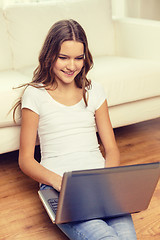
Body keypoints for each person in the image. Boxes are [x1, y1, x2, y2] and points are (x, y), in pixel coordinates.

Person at [16, 19, 137, 239]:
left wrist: (108, 181)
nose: (72, 66)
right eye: (63, 57)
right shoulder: (34, 95)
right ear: (50, 55)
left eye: (78, 58)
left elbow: (111, 150)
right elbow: (25, 159)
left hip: (100, 185)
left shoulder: (95, 91)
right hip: (60, 187)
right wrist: (59, 183)